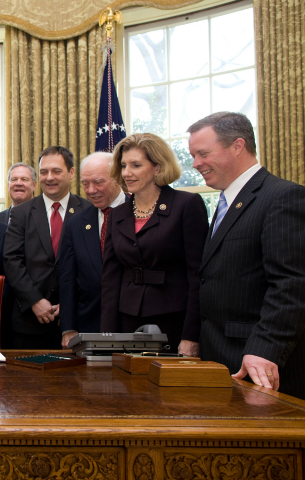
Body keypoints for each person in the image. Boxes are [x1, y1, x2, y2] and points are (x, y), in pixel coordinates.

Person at [189, 112, 305, 398]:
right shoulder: (227, 201)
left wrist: (264, 350)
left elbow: (292, 284)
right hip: (221, 355)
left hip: (257, 362)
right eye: (193, 155)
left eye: (203, 153)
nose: (195, 164)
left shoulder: (283, 197)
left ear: (238, 146)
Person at [100, 133, 208, 356]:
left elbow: (198, 276)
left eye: (136, 165)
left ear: (157, 167)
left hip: (174, 321)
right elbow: (111, 280)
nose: (127, 173)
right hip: (127, 320)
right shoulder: (117, 214)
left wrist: (191, 335)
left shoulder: (186, 205)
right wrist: (106, 338)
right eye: (123, 166)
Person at [3, 146, 92, 349]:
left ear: (71, 173)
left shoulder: (88, 211)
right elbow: (12, 260)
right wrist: (34, 300)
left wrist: (69, 306)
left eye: (56, 171)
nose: (49, 177)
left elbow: (93, 265)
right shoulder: (21, 213)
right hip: (29, 323)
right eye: (44, 172)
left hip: (77, 320)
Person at [57, 152, 126, 348]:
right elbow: (68, 278)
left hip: (131, 323)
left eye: (98, 182)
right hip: (89, 324)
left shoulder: (138, 212)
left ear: (116, 177)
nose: (91, 190)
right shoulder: (76, 223)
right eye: (85, 183)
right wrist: (68, 327)